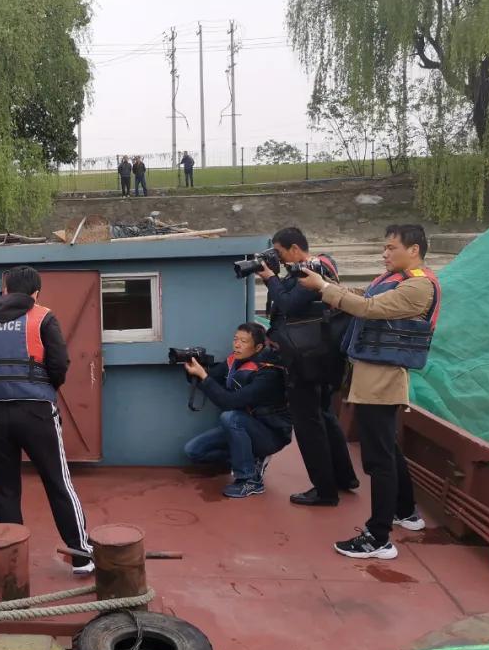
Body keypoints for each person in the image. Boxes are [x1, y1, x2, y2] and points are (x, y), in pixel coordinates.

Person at [298, 224, 440, 560]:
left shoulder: (418, 286)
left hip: (382, 381)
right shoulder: (398, 280)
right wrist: (329, 285)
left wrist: (322, 287)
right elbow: (365, 297)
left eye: (392, 248)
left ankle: (379, 538)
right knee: (387, 449)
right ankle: (405, 512)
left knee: (379, 460)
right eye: (385, 247)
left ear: (414, 249)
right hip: (373, 378)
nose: (385, 253)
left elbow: (370, 309)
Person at [0, 266, 93, 574]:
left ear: (4, 290)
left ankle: (8, 561)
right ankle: (82, 556)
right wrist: (44, 389)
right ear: (36, 293)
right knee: (58, 482)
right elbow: (60, 363)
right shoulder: (43, 317)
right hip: (36, 412)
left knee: (3, 489)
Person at [258, 227, 358, 507]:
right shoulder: (323, 264)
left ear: (293, 249)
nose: (278, 259)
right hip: (322, 356)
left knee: (307, 424)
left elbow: (289, 305)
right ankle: (345, 477)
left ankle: (324, 490)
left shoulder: (309, 271)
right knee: (325, 416)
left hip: (305, 360)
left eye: (279, 253)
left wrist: (269, 279)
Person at [182, 323, 292, 498]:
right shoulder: (234, 360)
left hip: (271, 433)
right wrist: (193, 370)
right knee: (194, 451)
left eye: (243, 341)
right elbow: (211, 380)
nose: (237, 344)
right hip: (243, 426)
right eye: (235, 339)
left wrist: (203, 376)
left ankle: (250, 480)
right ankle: (251, 458)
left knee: (229, 417)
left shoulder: (268, 372)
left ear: (258, 347)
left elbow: (229, 402)